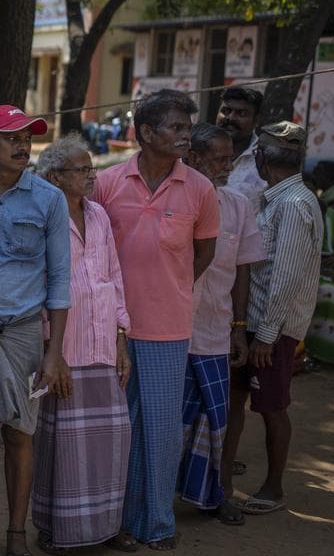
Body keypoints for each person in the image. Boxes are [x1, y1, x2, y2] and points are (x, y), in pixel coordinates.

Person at [95, 89, 219, 551]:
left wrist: (173, 285)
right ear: (146, 133)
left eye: (188, 127)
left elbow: (203, 253)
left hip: (168, 329)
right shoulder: (107, 183)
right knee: (116, 431)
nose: (186, 135)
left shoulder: (201, 190)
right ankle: (114, 524)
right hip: (112, 331)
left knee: (162, 431)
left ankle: (158, 524)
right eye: (177, 127)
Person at [0, 105, 72, 556]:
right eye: (11, 137)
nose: (23, 145)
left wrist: (53, 352)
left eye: (28, 138)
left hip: (22, 333)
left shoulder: (49, 199)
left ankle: (17, 533)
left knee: (21, 431)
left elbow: (60, 279)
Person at [31, 134, 132, 553]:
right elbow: (37, 288)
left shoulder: (100, 216)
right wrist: (50, 351)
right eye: (82, 169)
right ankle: (61, 532)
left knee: (110, 440)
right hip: (64, 348)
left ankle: (105, 527)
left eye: (92, 168)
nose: (92, 175)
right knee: (63, 446)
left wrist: (121, 337)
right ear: (55, 177)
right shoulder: (41, 218)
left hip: (102, 344)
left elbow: (114, 278)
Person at [223, 122, 322, 516]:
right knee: (236, 400)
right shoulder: (276, 199)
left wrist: (264, 336)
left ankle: (274, 485)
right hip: (254, 324)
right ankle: (223, 477)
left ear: (262, 160)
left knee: (271, 406)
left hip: (274, 329)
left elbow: (285, 276)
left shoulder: (294, 204)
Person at [178, 124, 265, 527]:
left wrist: (239, 326)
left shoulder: (238, 205)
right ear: (193, 158)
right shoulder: (175, 200)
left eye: (230, 158)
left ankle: (215, 494)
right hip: (170, 331)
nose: (228, 166)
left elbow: (243, 271)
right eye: (219, 159)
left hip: (215, 330)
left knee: (216, 418)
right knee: (170, 420)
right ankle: (155, 497)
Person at [217, 86, 267, 208]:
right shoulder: (196, 153)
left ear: (257, 120)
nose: (231, 118)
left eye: (241, 113)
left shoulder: (266, 160)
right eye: (226, 111)